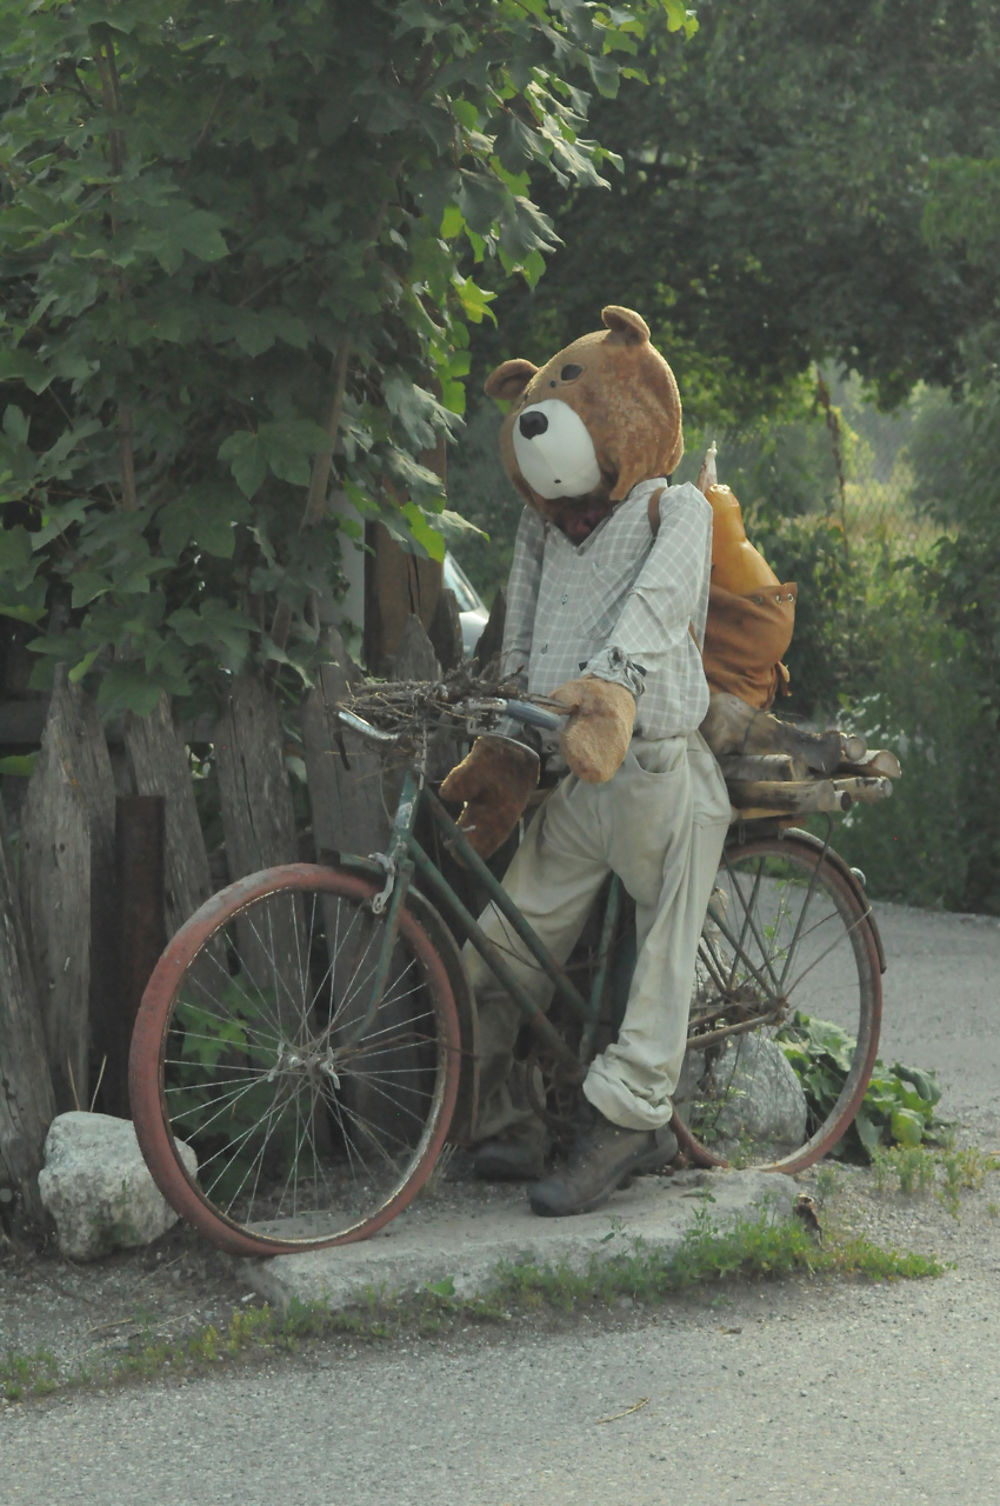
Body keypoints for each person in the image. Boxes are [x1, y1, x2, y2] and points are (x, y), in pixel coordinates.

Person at [440, 306, 732, 1217]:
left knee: (664, 948)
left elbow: (655, 609)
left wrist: (608, 691)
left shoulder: (672, 509)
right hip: (572, 783)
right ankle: (508, 1121)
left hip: (652, 767)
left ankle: (632, 1118)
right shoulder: (545, 529)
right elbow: (520, 638)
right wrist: (512, 732)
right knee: (492, 956)